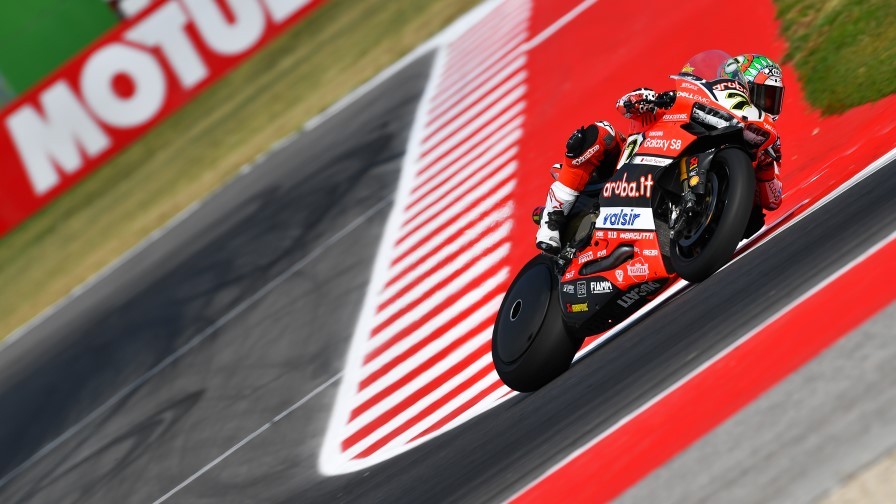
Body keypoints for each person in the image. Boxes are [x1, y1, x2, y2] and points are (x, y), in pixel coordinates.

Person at [535, 52, 785, 253]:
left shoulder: (765, 144)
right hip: (624, 172)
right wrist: (647, 99)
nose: (767, 105)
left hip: (700, 242)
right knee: (600, 133)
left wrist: (764, 165)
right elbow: (624, 105)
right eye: (764, 95)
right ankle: (552, 220)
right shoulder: (682, 103)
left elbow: (773, 200)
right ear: (742, 86)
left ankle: (692, 225)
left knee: (754, 218)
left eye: (774, 99)